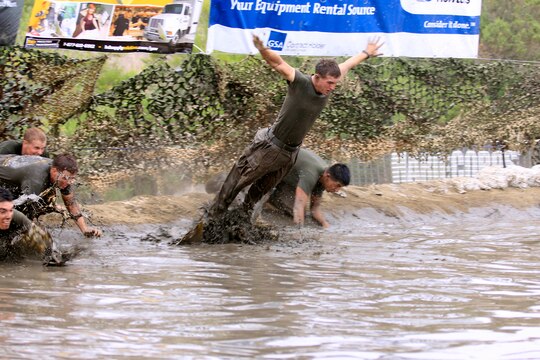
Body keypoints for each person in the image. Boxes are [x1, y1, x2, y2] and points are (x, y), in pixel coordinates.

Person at [208, 34, 382, 220]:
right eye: (330, 83)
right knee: (238, 180)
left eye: (335, 83)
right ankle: (212, 216)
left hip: (290, 153)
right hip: (270, 146)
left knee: (259, 191)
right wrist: (262, 49)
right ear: (317, 77)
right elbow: (278, 64)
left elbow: (349, 64)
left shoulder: (330, 82)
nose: (332, 87)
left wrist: (367, 53)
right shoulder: (300, 82)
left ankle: (241, 221)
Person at [206, 148, 350, 228]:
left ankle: (270, 198)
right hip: (270, 169)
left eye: (339, 188)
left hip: (283, 179)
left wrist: (325, 225)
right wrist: (300, 234)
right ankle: (224, 180)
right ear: (328, 175)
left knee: (289, 209)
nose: (337, 190)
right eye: (337, 185)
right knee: (250, 201)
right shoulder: (312, 173)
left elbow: (315, 209)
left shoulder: (322, 181)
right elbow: (299, 204)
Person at [0, 153, 102, 237]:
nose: (70, 182)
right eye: (67, 178)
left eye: (72, 179)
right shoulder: (36, 180)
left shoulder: (63, 177)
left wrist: (84, 229)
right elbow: (23, 214)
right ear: (54, 171)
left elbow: (70, 204)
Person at [0, 187, 62, 264]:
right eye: (2, 211)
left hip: (8, 239)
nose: (8, 216)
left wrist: (51, 253)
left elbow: (41, 234)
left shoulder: (16, 216)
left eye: (10, 210)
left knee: (33, 237)